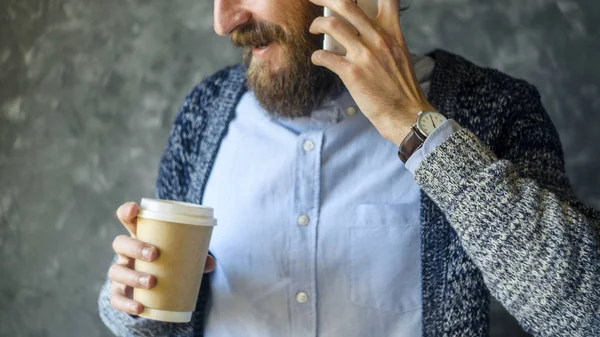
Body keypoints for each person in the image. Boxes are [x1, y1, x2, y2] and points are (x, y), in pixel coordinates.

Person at [98, 0, 600, 336]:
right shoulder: (204, 112)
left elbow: (585, 314)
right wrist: (133, 305)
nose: (223, 20)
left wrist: (413, 124)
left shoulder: (493, 108)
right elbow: (165, 312)